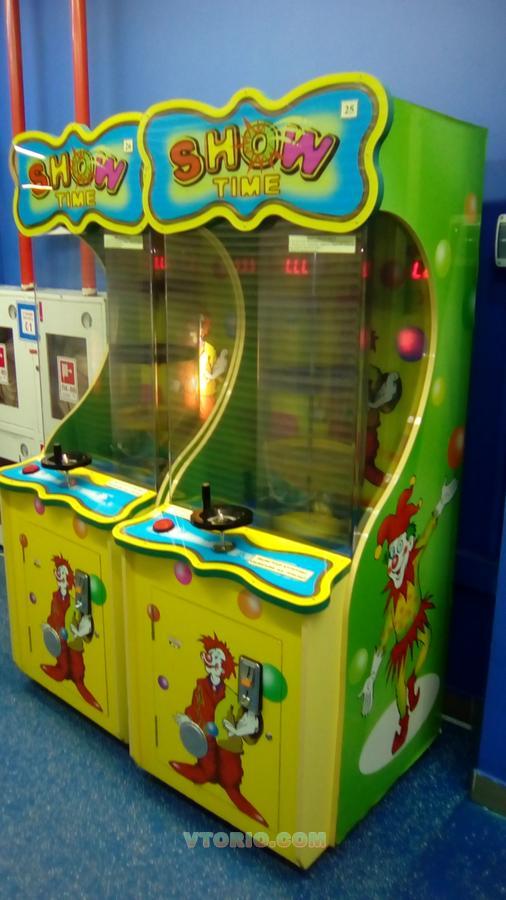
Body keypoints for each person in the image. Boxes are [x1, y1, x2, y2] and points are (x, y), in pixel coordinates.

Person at [360, 477, 457, 753]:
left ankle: (415, 678)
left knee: (427, 640)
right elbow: (382, 644)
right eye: (391, 553)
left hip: (417, 621)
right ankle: (403, 722)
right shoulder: (392, 610)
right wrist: (370, 680)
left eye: (399, 549)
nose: (394, 559)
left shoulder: (412, 561)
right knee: (399, 683)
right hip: (403, 640)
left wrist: (441, 503)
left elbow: (426, 534)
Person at [170, 632, 267, 826]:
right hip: (206, 739)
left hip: (227, 745)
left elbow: (244, 718)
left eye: (216, 657)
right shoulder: (200, 687)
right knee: (207, 768)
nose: (210, 659)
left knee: (230, 777)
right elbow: (194, 707)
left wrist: (249, 725)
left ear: (223, 668)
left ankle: (236, 795)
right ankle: (200, 772)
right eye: (210, 655)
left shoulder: (230, 696)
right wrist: (186, 719)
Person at [41, 555, 102, 711]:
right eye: (58, 572)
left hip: (74, 641)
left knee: (78, 671)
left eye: (63, 573)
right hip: (60, 641)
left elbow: (84, 619)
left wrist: (81, 631)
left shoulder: (75, 601)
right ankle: (59, 671)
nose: (60, 576)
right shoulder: (55, 598)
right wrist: (48, 626)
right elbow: (53, 615)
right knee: (63, 668)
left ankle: (81, 686)